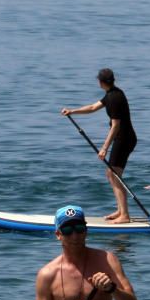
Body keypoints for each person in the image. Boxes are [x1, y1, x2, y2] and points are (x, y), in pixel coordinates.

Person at [62, 69, 138, 223]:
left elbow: (115, 126)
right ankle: (120, 210)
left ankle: (125, 215)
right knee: (112, 174)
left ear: (100, 82)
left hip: (124, 139)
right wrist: (72, 111)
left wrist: (104, 148)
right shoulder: (112, 94)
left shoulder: (115, 98)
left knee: (114, 175)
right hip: (123, 138)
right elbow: (92, 107)